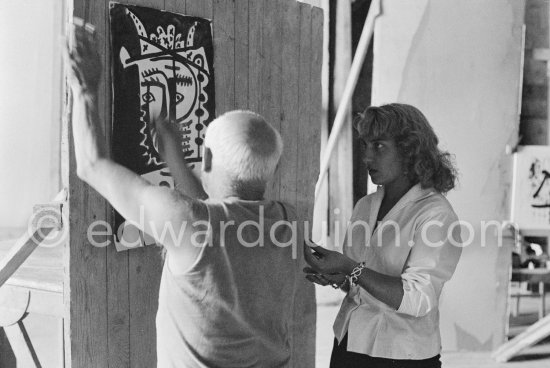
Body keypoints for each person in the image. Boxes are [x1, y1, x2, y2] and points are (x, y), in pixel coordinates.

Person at [67, 19, 301, 368]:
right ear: (272, 168)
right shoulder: (288, 220)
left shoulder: (189, 222)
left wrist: (85, 88)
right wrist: (173, 152)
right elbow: (213, 213)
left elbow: (91, 165)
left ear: (205, 157)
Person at [304, 103, 462, 368]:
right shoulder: (365, 206)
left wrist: (349, 267)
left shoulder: (435, 214)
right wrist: (339, 277)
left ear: (409, 150)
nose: (367, 157)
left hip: (401, 354)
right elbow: (358, 283)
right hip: (348, 342)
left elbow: (418, 298)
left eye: (378, 146)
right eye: (365, 145)